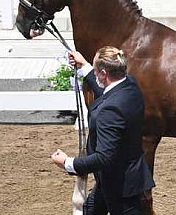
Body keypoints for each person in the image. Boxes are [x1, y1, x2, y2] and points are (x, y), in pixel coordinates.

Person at [51, 46, 154, 215]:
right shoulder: (130, 85)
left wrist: (67, 163)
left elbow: (104, 157)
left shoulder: (110, 111)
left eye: (96, 69)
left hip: (119, 186)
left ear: (104, 73)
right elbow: (107, 92)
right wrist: (84, 65)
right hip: (122, 177)